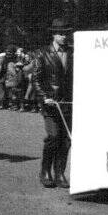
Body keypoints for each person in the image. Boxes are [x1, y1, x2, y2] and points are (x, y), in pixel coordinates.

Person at [32, 18, 73, 189]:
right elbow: (35, 79)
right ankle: (45, 172)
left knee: (66, 140)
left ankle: (60, 173)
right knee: (53, 137)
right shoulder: (42, 53)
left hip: (69, 103)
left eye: (66, 33)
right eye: (60, 33)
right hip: (51, 104)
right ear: (54, 35)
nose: (64, 36)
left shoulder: (74, 52)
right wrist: (44, 96)